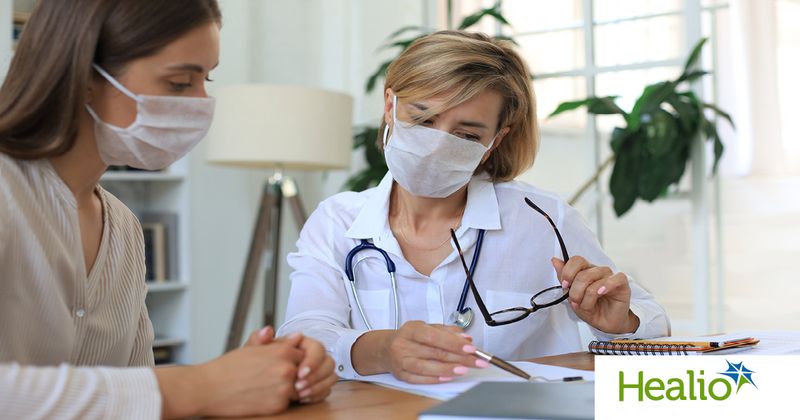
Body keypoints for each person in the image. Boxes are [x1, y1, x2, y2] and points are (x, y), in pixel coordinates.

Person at [0, 1, 336, 418]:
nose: (201, 103)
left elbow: (136, 395)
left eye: (206, 79)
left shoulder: (122, 227)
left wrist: (258, 376)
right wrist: (198, 386)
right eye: (179, 83)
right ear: (84, 76)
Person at [278, 30, 669, 384]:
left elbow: (652, 321)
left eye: (466, 134)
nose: (436, 144)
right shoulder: (336, 221)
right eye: (422, 117)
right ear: (390, 105)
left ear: (494, 141)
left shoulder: (545, 220)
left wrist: (622, 322)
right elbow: (306, 334)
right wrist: (384, 350)